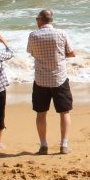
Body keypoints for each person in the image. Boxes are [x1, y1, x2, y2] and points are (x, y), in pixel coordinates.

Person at [27, 9, 76, 155]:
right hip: (59, 78)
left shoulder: (33, 36)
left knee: (41, 113)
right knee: (64, 112)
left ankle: (43, 145)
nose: (37, 21)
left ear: (41, 20)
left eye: (37, 19)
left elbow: (32, 52)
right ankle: (64, 145)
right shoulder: (61, 34)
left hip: (41, 79)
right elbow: (72, 53)